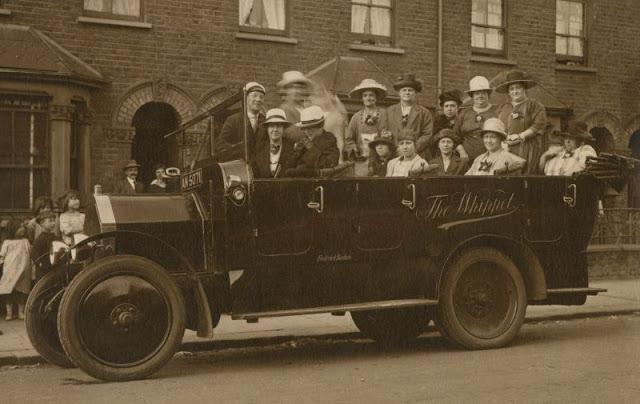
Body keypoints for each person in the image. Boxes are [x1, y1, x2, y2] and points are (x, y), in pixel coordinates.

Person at [496, 69, 547, 175]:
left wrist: (520, 136)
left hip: (527, 149)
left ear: (524, 88)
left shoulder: (534, 105)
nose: (515, 92)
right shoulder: (503, 108)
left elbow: (538, 126)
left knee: (524, 178)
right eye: (511, 89)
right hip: (505, 150)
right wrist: (502, 141)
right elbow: (497, 127)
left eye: (518, 88)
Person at [344, 79, 389, 176]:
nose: (368, 98)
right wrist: (354, 148)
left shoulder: (384, 114)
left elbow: (387, 136)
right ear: (362, 98)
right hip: (361, 161)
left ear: (376, 97)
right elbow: (349, 139)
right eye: (365, 95)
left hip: (380, 159)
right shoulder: (356, 117)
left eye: (371, 95)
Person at [386, 73, 434, 160]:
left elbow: (427, 134)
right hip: (395, 153)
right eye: (404, 90)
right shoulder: (390, 111)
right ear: (399, 93)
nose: (407, 93)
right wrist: (397, 147)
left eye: (410, 90)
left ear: (415, 93)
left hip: (417, 154)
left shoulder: (424, 112)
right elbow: (385, 130)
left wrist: (412, 148)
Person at [284, 105, 340, 177]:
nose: (308, 131)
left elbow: (329, 166)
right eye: (305, 128)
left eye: (312, 127)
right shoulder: (303, 142)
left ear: (320, 126)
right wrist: (296, 153)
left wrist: (311, 148)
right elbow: (288, 167)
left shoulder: (329, 141)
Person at [454, 76, 499, 164]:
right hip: (466, 160)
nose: (480, 96)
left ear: (488, 94)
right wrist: (461, 151)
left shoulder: (497, 111)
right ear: (472, 96)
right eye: (477, 93)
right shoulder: (464, 113)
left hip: (491, 159)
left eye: (483, 93)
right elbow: (455, 135)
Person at [218, 81, 267, 162]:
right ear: (246, 98)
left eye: (261, 97)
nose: (258, 99)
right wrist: (236, 148)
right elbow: (220, 144)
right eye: (254, 95)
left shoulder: (266, 121)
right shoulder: (234, 120)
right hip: (239, 165)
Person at [0, 221, 31, 320]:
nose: (22, 229)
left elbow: (29, 253)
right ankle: (9, 313)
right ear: (13, 229)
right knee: (9, 290)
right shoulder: (7, 242)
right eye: (19, 227)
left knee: (22, 291)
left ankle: (20, 312)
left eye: (23, 227)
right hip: (10, 269)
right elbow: (2, 255)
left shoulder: (25, 241)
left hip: (23, 269)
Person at [253, 108, 296, 178]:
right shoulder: (259, 149)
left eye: (278, 126)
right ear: (267, 128)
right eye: (272, 126)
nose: (275, 129)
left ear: (283, 128)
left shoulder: (292, 149)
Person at [277, 71, 314, 144]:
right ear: (286, 90)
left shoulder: (304, 108)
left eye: (301, 88)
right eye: (294, 88)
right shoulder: (284, 109)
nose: (298, 91)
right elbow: (293, 134)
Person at [31, 211, 58, 283]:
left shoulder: (54, 237)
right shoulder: (40, 239)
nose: (53, 223)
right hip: (43, 269)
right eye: (50, 221)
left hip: (53, 266)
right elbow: (34, 253)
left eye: (54, 221)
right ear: (42, 223)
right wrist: (40, 264)